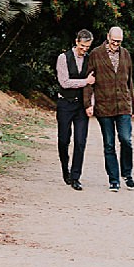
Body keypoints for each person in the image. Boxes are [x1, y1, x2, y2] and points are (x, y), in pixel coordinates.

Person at [83, 26, 134, 192]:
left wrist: (132, 106)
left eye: (119, 42)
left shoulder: (126, 54)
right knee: (109, 144)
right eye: (113, 41)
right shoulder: (96, 54)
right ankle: (114, 179)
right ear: (108, 37)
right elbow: (89, 80)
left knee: (126, 140)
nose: (116, 44)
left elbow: (130, 81)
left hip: (123, 105)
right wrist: (87, 104)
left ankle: (127, 174)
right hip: (104, 106)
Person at [55, 29, 95, 191]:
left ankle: (76, 176)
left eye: (88, 47)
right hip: (65, 104)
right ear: (77, 42)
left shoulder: (89, 60)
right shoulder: (63, 58)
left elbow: (93, 85)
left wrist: (91, 104)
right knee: (64, 140)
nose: (85, 49)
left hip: (81, 106)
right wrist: (85, 81)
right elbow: (64, 82)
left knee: (81, 141)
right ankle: (65, 169)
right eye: (83, 46)